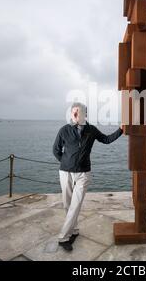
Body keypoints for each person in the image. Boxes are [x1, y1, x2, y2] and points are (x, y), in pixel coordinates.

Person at [52, 102, 123, 251]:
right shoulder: (64, 130)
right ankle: (74, 230)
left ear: (85, 114)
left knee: (75, 204)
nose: (75, 115)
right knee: (67, 204)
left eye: (78, 112)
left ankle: (63, 237)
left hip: (84, 173)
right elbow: (56, 150)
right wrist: (66, 162)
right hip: (65, 172)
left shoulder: (91, 130)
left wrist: (121, 130)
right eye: (73, 113)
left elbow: (106, 139)